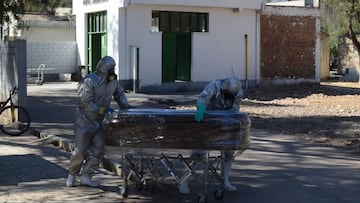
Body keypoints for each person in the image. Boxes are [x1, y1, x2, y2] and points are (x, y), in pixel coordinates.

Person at [66, 56, 132, 187]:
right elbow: (86, 103)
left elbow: (119, 94)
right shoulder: (89, 81)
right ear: (103, 68)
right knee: (80, 150)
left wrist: (126, 106)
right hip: (84, 121)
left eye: (113, 68)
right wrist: (103, 110)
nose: (112, 71)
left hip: (100, 122)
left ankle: (86, 175)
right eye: (110, 68)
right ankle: (72, 175)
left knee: (98, 150)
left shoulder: (112, 81)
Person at [178, 77, 243, 194]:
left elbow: (235, 109)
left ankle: (225, 181)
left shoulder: (238, 92)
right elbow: (203, 98)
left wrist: (231, 119)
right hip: (207, 120)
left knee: (229, 152)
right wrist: (201, 109)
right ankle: (184, 180)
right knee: (198, 152)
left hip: (225, 122)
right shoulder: (213, 86)